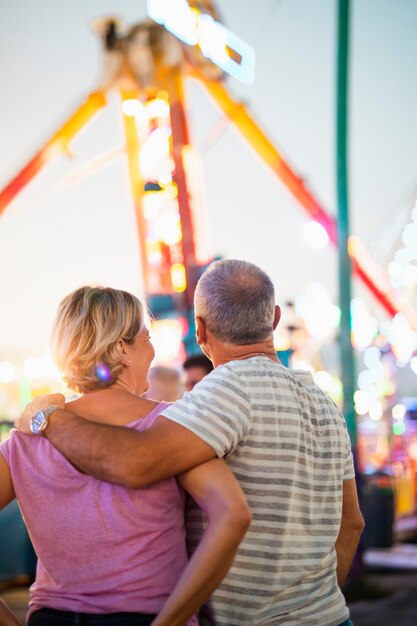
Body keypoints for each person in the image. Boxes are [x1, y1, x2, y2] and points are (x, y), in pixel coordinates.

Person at [17, 260, 364, 626]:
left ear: (199, 329)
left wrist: (50, 418)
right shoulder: (323, 402)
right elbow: (352, 523)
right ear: (275, 318)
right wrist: (315, 606)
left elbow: (136, 463)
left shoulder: (222, 391)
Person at [0, 286, 251, 626]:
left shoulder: (27, 437)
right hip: (145, 615)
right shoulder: (171, 424)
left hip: (50, 617)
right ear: (122, 348)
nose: (152, 351)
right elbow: (233, 515)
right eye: (147, 338)